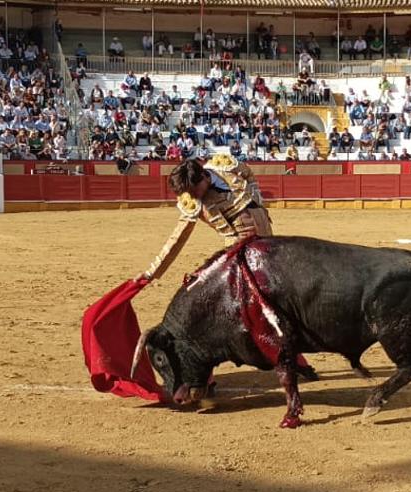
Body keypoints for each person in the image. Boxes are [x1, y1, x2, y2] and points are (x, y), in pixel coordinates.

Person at [138, 155, 322, 381]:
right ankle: (200, 374)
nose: (192, 196)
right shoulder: (192, 202)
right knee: (219, 309)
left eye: (195, 190)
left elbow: (249, 174)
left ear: (204, 176)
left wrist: (258, 202)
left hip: (269, 247)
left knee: (281, 302)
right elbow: (177, 239)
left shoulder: (224, 165)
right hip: (237, 254)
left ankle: (296, 358)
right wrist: (152, 272)